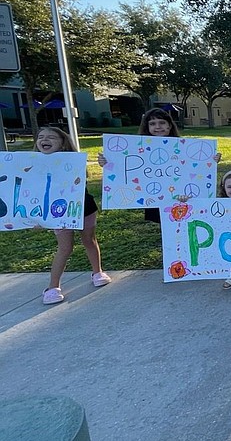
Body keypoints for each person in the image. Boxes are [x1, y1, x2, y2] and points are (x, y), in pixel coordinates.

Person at [98, 107, 220, 223]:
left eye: (162, 122)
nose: (158, 127)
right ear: (147, 127)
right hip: (155, 198)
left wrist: (211, 160)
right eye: (152, 123)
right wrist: (107, 163)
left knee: (181, 226)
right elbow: (125, 168)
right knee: (164, 229)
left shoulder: (183, 147)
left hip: (182, 198)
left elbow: (196, 167)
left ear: (169, 125)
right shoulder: (136, 148)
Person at [34, 127, 111, 305]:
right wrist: (35, 217)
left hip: (83, 206)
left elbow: (79, 181)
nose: (45, 140)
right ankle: (52, 287)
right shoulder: (32, 165)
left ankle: (97, 272)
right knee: (65, 247)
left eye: (51, 137)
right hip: (56, 212)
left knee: (89, 241)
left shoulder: (74, 161)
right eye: (41, 137)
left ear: (63, 144)